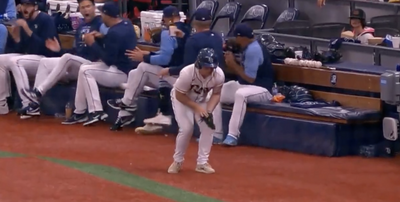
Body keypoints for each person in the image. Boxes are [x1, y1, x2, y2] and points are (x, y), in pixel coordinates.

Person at [135, 8, 224, 134]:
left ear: (194, 23)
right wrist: (184, 36)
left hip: (197, 81)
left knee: (166, 79)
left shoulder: (193, 40)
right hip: (217, 77)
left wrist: (169, 70)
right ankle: (216, 134)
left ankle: (165, 116)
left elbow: (187, 67)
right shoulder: (217, 38)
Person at [106, 5, 190, 130]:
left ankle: (127, 103)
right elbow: (173, 54)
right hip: (185, 76)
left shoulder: (168, 31)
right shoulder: (187, 30)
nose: (164, 22)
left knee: (143, 67)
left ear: (170, 18)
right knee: (134, 73)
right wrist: (149, 54)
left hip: (175, 78)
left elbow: (165, 59)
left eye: (164, 19)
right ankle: (125, 114)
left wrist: (144, 58)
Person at [21, 0, 103, 118]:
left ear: (94, 7)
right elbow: (76, 51)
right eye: (83, 7)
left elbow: (106, 47)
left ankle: (38, 92)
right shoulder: (81, 27)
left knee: (67, 58)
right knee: (45, 62)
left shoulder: (100, 24)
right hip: (77, 64)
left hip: (93, 65)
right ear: (79, 10)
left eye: (88, 6)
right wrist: (58, 50)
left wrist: (94, 43)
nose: (86, 10)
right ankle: (34, 105)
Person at [62, 1, 137, 126]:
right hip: (122, 68)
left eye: (102, 14)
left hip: (120, 73)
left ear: (108, 15)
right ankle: (80, 111)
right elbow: (116, 44)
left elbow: (108, 60)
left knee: (86, 71)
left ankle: (96, 110)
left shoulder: (115, 32)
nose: (101, 16)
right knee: (84, 68)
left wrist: (92, 43)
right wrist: (102, 37)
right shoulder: (126, 23)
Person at [212, 23, 274, 146]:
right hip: (246, 86)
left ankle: (232, 136)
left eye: (237, 38)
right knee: (215, 92)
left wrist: (233, 65)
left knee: (241, 95)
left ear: (242, 38)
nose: (237, 41)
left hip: (262, 89)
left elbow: (250, 79)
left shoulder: (253, 49)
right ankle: (216, 134)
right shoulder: (249, 46)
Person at [167, 48, 225, 174]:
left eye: (212, 67)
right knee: (187, 128)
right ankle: (177, 161)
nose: (210, 70)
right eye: (207, 67)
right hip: (183, 99)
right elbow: (180, 95)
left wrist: (208, 110)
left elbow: (216, 94)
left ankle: (202, 163)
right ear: (199, 65)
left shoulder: (219, 75)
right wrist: (198, 108)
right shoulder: (187, 73)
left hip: (202, 99)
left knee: (208, 127)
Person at [0, 0, 58, 117]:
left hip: (44, 60)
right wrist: (16, 39)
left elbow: (47, 48)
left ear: (35, 7)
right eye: (23, 5)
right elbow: (20, 49)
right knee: (1, 60)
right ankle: (2, 104)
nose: (25, 8)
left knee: (15, 61)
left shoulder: (45, 20)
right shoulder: (21, 20)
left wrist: (27, 30)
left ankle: (29, 104)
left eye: (29, 5)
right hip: (28, 58)